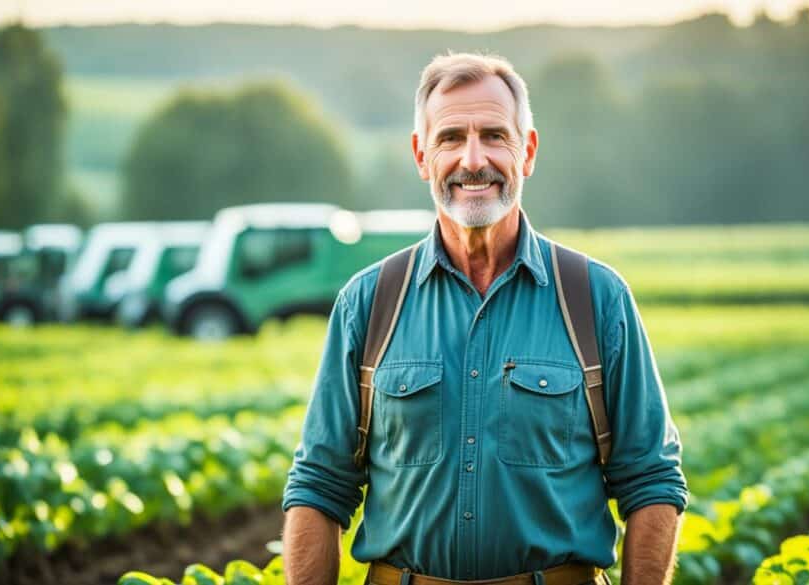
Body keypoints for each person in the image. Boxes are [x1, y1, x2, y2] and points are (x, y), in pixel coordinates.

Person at [281, 52, 688, 585]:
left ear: (529, 151)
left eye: (495, 135)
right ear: (421, 155)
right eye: (451, 138)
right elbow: (319, 485)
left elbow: (651, 480)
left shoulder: (596, 298)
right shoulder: (368, 303)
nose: (474, 159)